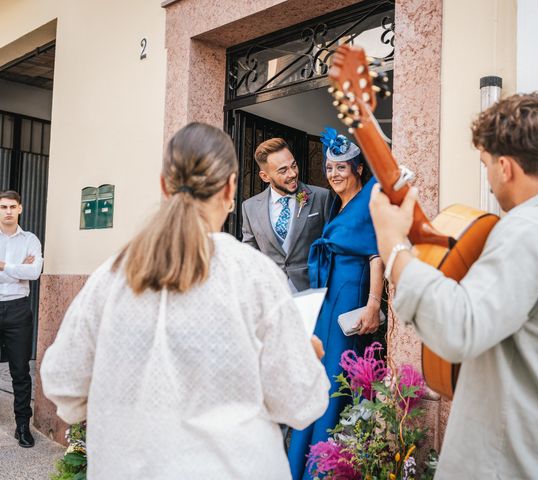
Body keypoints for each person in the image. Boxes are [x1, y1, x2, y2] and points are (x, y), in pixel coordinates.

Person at [41, 123, 330, 479]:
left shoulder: (110, 277)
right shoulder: (254, 275)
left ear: (164, 186)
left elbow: (63, 386)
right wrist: (305, 356)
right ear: (229, 189)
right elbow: (301, 404)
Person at [369, 93, 538, 479]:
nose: (487, 176)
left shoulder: (529, 230)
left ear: (505, 167)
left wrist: (395, 250)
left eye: (485, 164)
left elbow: (459, 328)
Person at [288, 128, 385, 480]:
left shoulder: (370, 197)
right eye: (329, 168)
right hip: (328, 298)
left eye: (342, 167)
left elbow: (377, 256)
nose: (334, 174)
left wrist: (373, 304)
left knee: (335, 378)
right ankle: (301, 463)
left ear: (358, 168)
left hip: (350, 296)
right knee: (318, 375)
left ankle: (321, 469)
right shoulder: (335, 204)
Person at [241, 137, 332, 292]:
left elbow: (332, 246)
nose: (292, 174)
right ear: (265, 177)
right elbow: (250, 254)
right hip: (272, 296)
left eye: (293, 165)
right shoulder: (250, 207)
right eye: (283, 170)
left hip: (314, 291)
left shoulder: (322, 197)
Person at [0, 190, 43, 448]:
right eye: (3, 206)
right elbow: (25, 270)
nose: (7, 211)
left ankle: (23, 426)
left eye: (11, 206)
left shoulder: (30, 240)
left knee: (20, 370)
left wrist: (4, 266)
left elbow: (35, 271)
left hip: (18, 309)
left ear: (20, 209)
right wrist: (19, 269)